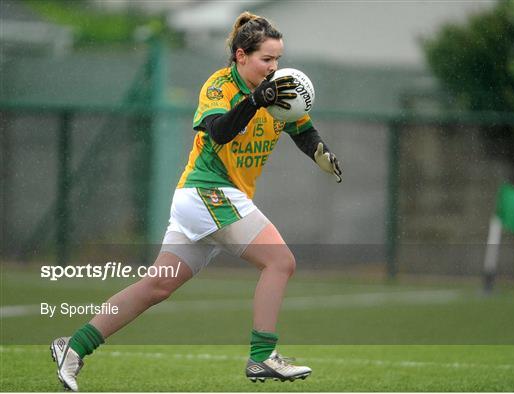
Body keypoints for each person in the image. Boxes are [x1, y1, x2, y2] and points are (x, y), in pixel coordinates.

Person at [50, 11, 342, 391]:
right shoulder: (220, 87)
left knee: (156, 286)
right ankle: (262, 357)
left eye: (278, 59)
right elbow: (219, 132)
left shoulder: (276, 88)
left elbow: (302, 127)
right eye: (266, 59)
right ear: (241, 56)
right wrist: (254, 100)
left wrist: (319, 150)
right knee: (280, 262)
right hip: (208, 192)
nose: (274, 68)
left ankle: (74, 347)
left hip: (206, 201)